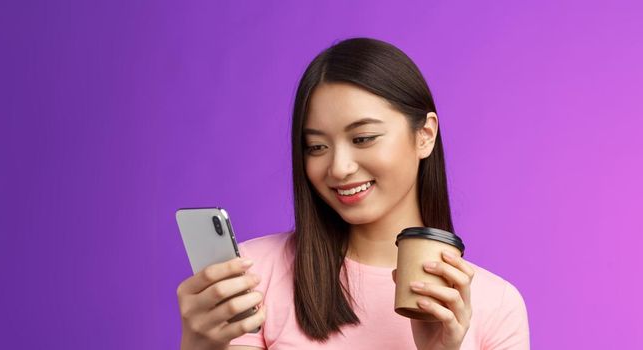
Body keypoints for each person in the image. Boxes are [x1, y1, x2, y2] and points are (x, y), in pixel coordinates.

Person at [177, 37, 529, 350]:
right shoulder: (251, 278)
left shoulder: (496, 305)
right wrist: (198, 347)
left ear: (425, 135)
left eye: (362, 138)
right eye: (316, 146)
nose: (339, 168)